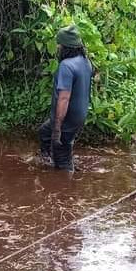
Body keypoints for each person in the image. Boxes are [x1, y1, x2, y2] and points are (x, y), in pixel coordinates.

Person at [38, 25, 93, 171]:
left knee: (62, 157)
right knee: (44, 132)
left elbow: (63, 99)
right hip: (78, 116)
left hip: (66, 118)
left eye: (59, 45)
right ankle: (47, 161)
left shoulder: (66, 66)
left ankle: (67, 186)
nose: (57, 48)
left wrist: (57, 129)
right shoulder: (86, 62)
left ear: (65, 46)